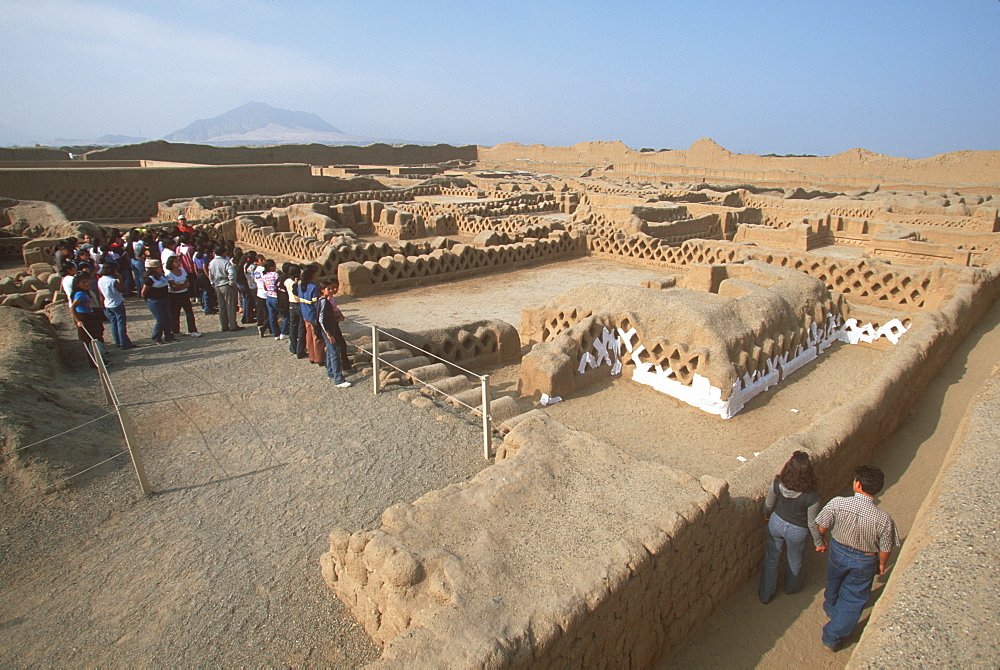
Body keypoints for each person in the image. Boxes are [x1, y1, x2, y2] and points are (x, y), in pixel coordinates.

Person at [816, 465, 900, 651]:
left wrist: (821, 539)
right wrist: (882, 565)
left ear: (858, 485)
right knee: (854, 597)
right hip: (865, 559)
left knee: (834, 580)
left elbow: (821, 526)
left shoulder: (838, 503)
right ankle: (836, 626)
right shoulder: (884, 519)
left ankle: (832, 616)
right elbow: (886, 548)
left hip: (838, 550)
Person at [759, 451, 823, 604]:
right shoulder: (812, 496)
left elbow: (768, 505)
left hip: (776, 522)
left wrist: (767, 515)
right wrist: (819, 542)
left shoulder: (777, 484)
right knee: (795, 559)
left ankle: (765, 594)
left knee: (772, 558)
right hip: (797, 530)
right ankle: (791, 588)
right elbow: (812, 522)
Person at [70, 273, 110, 367]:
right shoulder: (80, 294)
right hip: (85, 318)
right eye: (83, 283)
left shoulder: (84, 293)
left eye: (87, 282)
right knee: (91, 342)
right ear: (78, 284)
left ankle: (99, 360)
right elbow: (72, 308)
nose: (87, 284)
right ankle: (95, 363)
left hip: (89, 316)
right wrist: (78, 321)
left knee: (95, 340)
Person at [317, 279, 350, 387]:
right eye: (329, 289)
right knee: (335, 353)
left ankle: (331, 372)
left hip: (329, 330)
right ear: (322, 290)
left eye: (332, 288)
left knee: (330, 352)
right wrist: (328, 334)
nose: (331, 291)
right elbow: (321, 320)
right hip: (328, 331)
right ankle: (338, 379)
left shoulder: (326, 300)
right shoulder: (323, 302)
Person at [97, 262, 133, 350]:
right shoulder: (112, 281)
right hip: (116, 302)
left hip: (108, 303)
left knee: (113, 323)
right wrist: (120, 279)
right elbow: (123, 290)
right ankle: (124, 342)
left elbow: (100, 294)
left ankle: (117, 341)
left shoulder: (101, 280)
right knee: (121, 324)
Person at [164, 256, 202, 338]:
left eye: (178, 261)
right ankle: (175, 330)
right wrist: (183, 285)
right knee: (175, 313)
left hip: (184, 293)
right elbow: (174, 287)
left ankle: (193, 330)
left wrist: (181, 286)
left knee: (189, 312)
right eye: (176, 262)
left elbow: (187, 282)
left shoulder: (182, 271)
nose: (178, 263)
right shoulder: (169, 274)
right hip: (174, 295)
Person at [141, 259, 174, 344]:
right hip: (154, 301)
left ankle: (168, 336)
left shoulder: (161, 276)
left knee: (168, 318)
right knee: (160, 320)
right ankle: (156, 337)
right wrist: (147, 299)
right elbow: (144, 292)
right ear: (154, 268)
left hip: (165, 299)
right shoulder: (150, 279)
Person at [297, 265, 325, 365]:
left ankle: (311, 356)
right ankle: (319, 358)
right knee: (317, 338)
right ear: (313, 275)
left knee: (309, 336)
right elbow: (315, 304)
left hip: (305, 314)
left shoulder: (300, 285)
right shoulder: (313, 287)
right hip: (313, 315)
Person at [208, 246, 240, 332]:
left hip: (217, 285)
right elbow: (232, 273)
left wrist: (212, 283)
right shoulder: (225, 262)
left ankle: (224, 325)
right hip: (226, 285)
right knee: (230, 305)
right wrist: (232, 283)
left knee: (221, 306)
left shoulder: (212, 263)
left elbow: (210, 274)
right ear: (223, 253)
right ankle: (233, 325)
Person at [261, 259, 288, 341]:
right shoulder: (275, 275)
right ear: (271, 267)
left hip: (268, 296)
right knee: (286, 315)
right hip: (276, 297)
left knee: (272, 316)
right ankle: (283, 332)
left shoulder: (264, 276)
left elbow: (265, 287)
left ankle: (276, 334)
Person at [284, 264, 307, 358]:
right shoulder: (299, 283)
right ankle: (300, 350)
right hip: (300, 305)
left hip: (291, 305)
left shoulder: (286, 281)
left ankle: (293, 347)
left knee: (293, 327)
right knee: (302, 329)